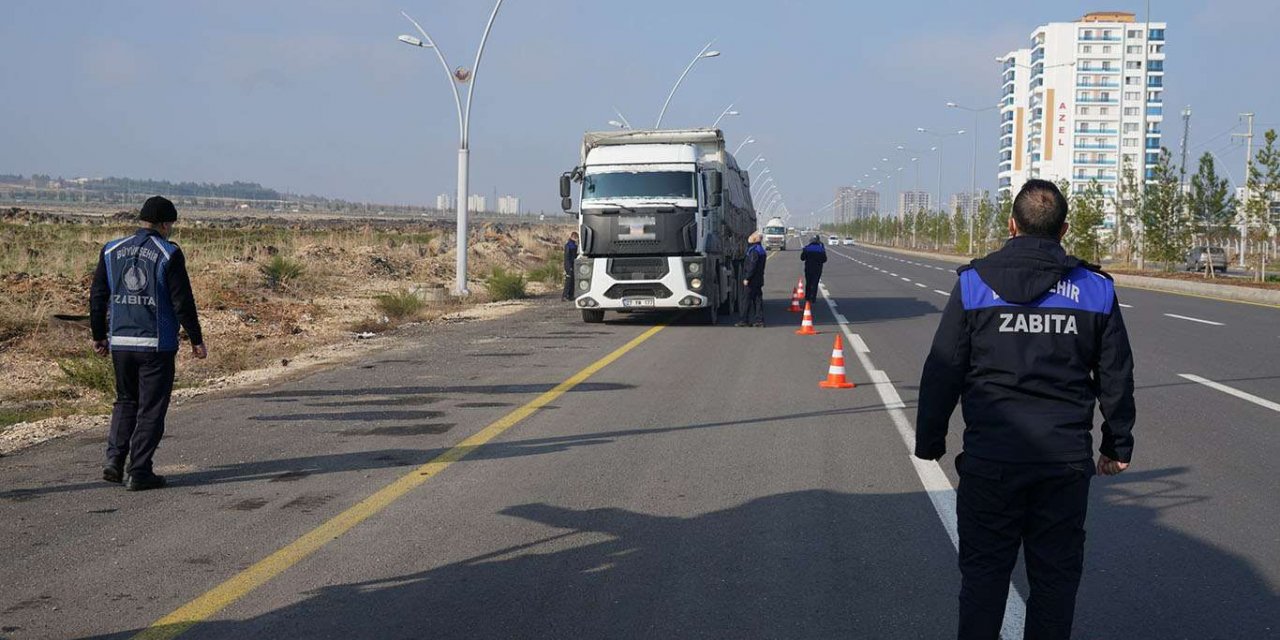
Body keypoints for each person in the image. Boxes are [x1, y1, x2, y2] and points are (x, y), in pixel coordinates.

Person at [914, 179, 1135, 640]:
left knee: (984, 578)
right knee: (1055, 582)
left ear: (1012, 225)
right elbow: (1115, 374)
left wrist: (930, 440)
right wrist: (1117, 445)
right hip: (1063, 462)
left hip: (992, 459)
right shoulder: (1094, 290)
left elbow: (943, 368)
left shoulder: (975, 284)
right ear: (1064, 229)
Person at [89, 196, 207, 491]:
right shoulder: (169, 253)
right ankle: (139, 471)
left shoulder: (111, 250)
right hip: (156, 344)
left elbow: (98, 296)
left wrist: (98, 335)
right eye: (171, 225)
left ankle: (114, 461)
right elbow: (182, 302)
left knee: (125, 400)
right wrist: (196, 339)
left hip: (120, 342)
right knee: (151, 409)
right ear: (165, 224)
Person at [736, 231, 767, 327]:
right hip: (759, 278)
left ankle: (744, 320)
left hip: (752, 279)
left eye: (752, 236)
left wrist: (747, 277)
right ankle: (759, 320)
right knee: (757, 300)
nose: (749, 237)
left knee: (746, 299)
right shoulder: (761, 250)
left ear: (755, 239)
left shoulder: (753, 251)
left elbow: (752, 266)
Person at [800, 235, 827, 304]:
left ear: (810, 242)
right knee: (815, 283)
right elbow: (824, 259)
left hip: (808, 268)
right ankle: (813, 298)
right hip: (817, 269)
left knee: (808, 282)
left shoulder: (807, 248)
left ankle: (807, 297)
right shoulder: (821, 249)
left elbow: (802, 258)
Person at [562, 231, 579, 301]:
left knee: (572, 281)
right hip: (569, 265)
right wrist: (569, 267)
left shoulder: (573, 245)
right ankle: (565, 296)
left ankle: (570, 295)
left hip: (572, 265)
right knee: (568, 281)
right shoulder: (569, 245)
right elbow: (567, 257)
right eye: (576, 238)